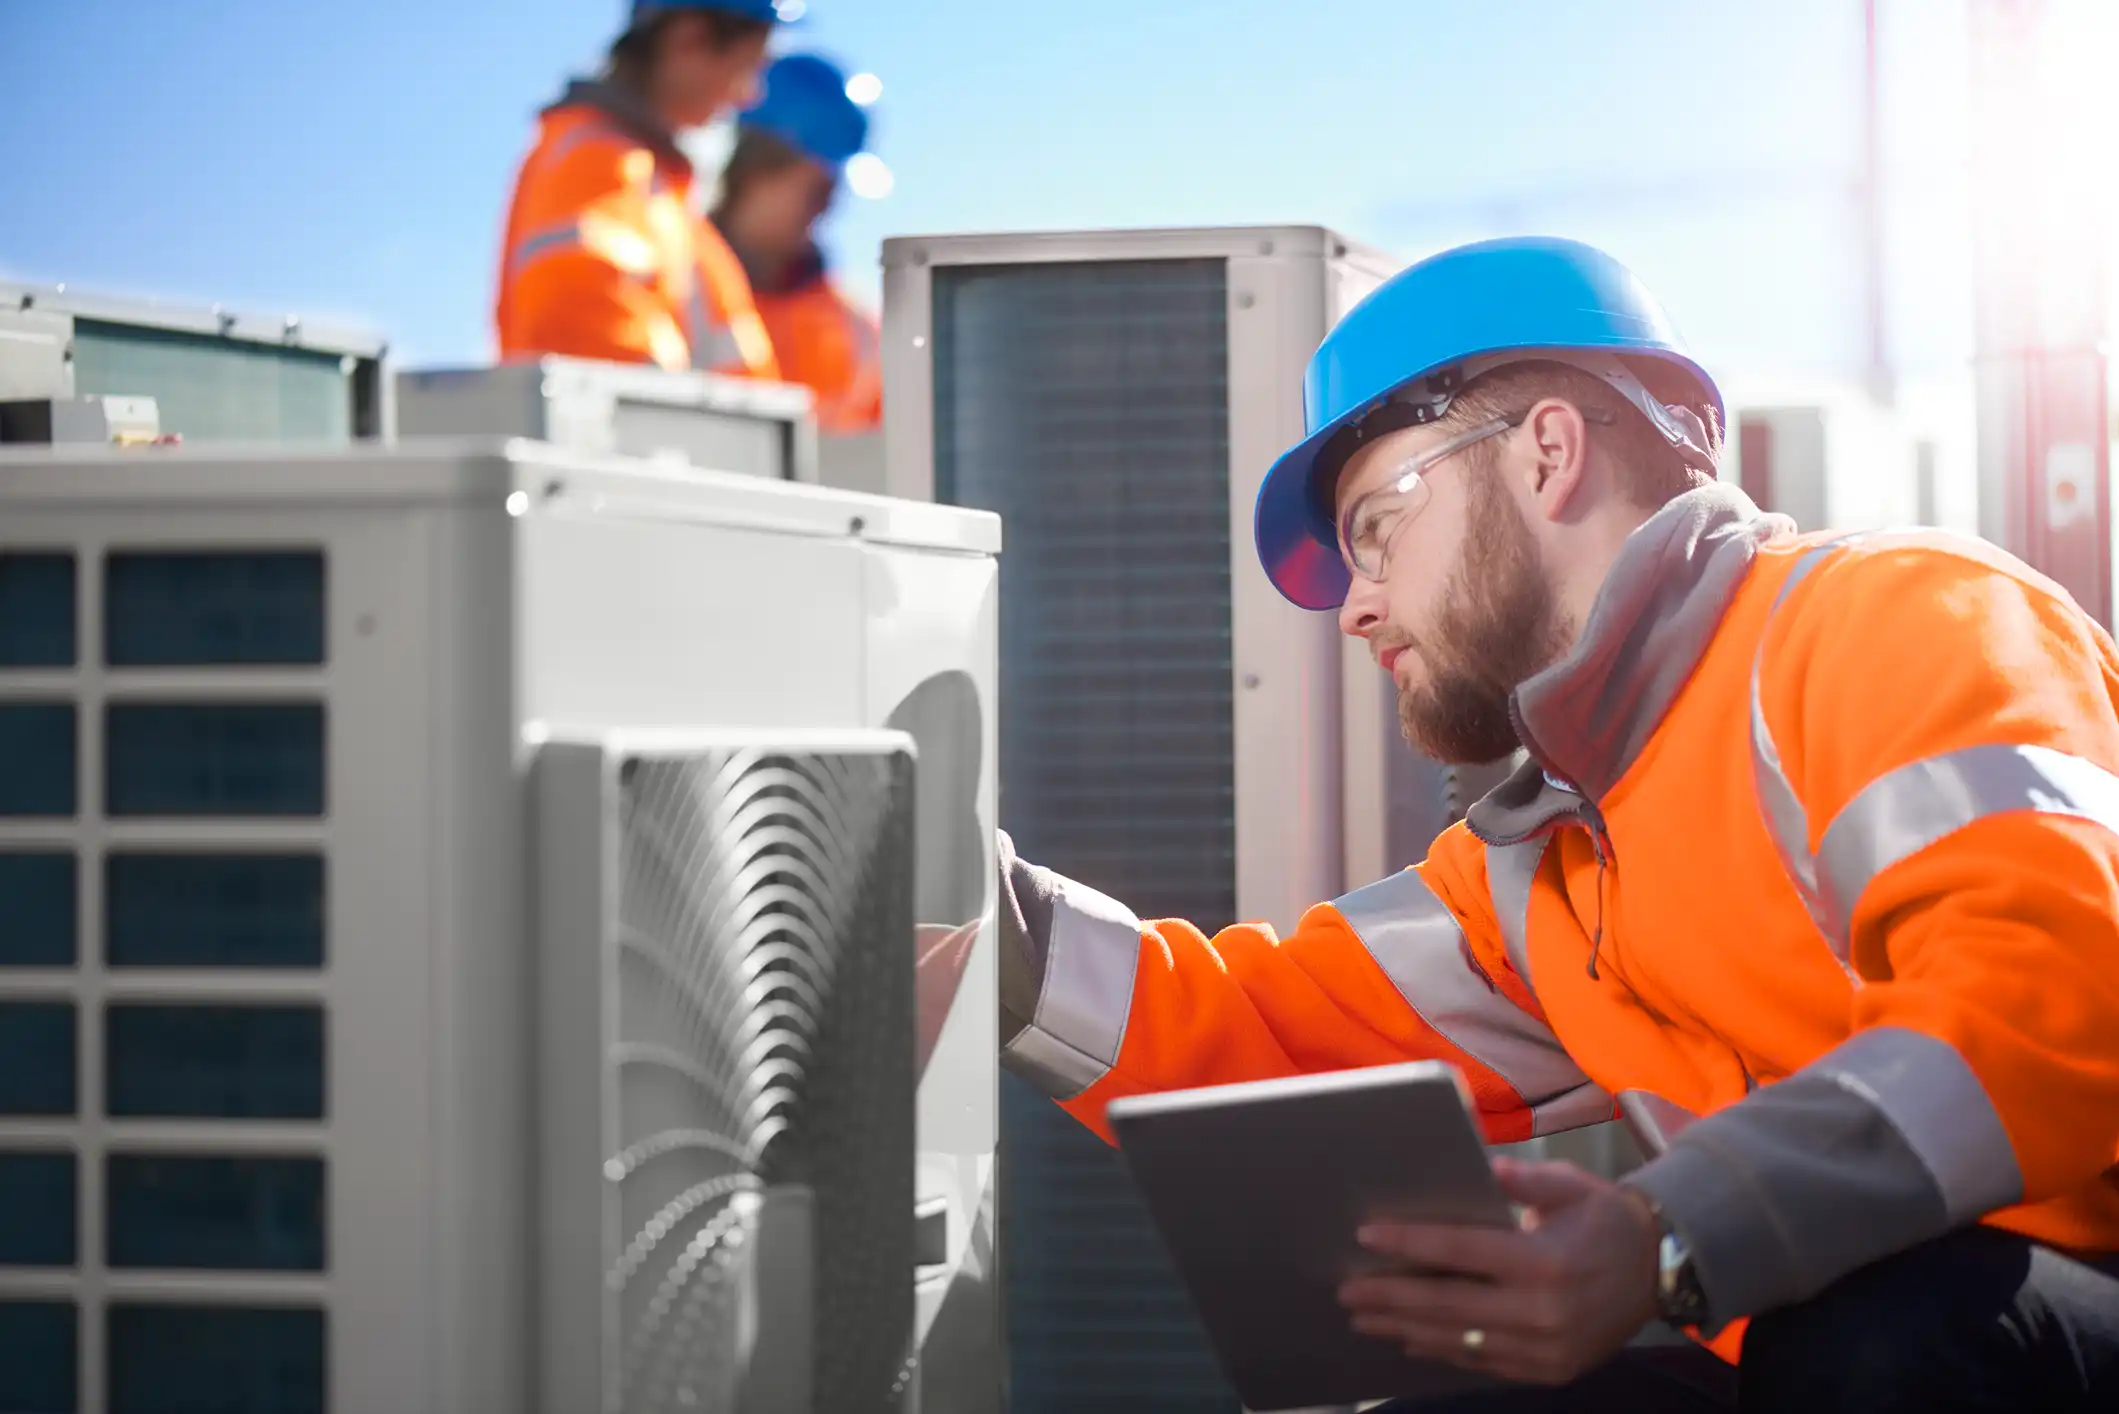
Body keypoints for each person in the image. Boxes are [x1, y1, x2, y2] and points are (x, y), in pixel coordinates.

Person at [994, 236, 2119, 1411]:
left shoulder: (1900, 620)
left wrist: (1667, 1235)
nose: (1356, 604)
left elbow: (2043, 1009)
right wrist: (965, 919)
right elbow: (1252, 1031)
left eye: (1375, 525)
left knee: (1884, 1328)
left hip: (2031, 1312)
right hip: (1803, 1347)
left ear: (1546, 452)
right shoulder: (1540, 857)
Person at [494, 0, 788, 378]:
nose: (748, 96)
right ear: (689, 39)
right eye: (747, 68)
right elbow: (589, 337)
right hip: (649, 437)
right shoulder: (598, 162)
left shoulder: (657, 187)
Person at [711, 52, 884, 433]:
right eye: (818, 190)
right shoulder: (670, 282)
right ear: (756, 169)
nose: (826, 209)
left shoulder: (859, 332)